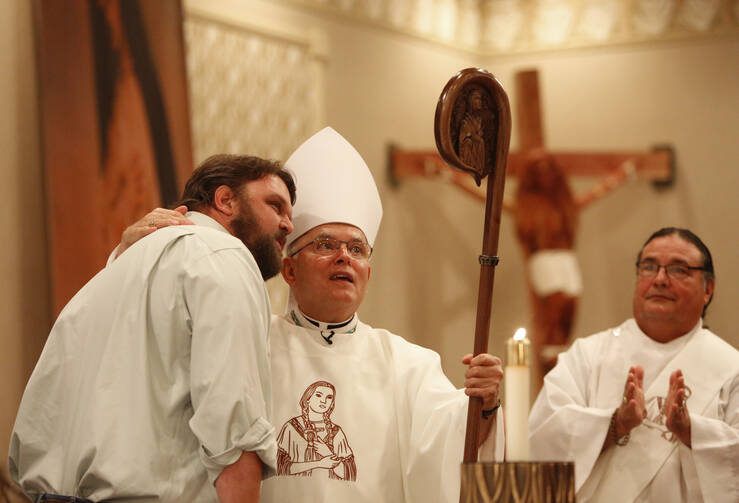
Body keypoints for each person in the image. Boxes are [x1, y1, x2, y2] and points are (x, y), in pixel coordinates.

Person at [115, 127, 506, 502]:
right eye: (325, 244)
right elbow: (153, 353)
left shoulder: (409, 365)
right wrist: (128, 256)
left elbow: (455, 448)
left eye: (357, 249)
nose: (343, 257)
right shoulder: (247, 338)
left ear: (369, 271)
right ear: (289, 271)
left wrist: (484, 406)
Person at [8, 154, 296, 503]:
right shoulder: (224, 256)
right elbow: (234, 426)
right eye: (275, 206)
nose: (287, 225)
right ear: (225, 200)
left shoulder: (116, 267)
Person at [529, 227, 739, 502]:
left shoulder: (731, 369)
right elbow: (543, 439)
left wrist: (692, 432)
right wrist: (614, 424)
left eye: (678, 269)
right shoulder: (588, 356)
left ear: (707, 289)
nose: (660, 279)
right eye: (649, 267)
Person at [276, 380, 357, 480]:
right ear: (308, 399)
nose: (324, 401)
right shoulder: (292, 427)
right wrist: (319, 464)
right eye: (318, 395)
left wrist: (328, 453)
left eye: (329, 397)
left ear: (332, 403)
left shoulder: (336, 432)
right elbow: (279, 468)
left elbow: (349, 475)